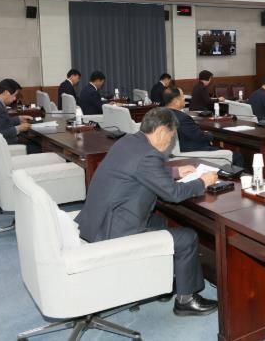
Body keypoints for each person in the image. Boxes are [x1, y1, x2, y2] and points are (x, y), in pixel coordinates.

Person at [74, 108, 219, 316]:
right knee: (187, 237)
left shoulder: (129, 141)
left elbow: (137, 168)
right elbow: (173, 194)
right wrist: (202, 182)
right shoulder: (149, 155)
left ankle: (163, 284)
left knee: (159, 222)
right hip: (112, 233)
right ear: (161, 131)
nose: (170, 142)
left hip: (95, 223)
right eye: (171, 136)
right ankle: (187, 300)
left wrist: (175, 171)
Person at [162, 86, 244, 166]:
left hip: (173, 153)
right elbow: (199, 137)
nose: (184, 98)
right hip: (192, 152)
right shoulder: (183, 118)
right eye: (182, 96)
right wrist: (209, 134)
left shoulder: (161, 115)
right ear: (176, 101)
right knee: (236, 156)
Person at [0, 78, 32, 145]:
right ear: (6, 93)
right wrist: (18, 128)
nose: (15, 98)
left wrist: (19, 119)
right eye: (14, 95)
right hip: (2, 146)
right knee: (36, 146)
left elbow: (2, 122)